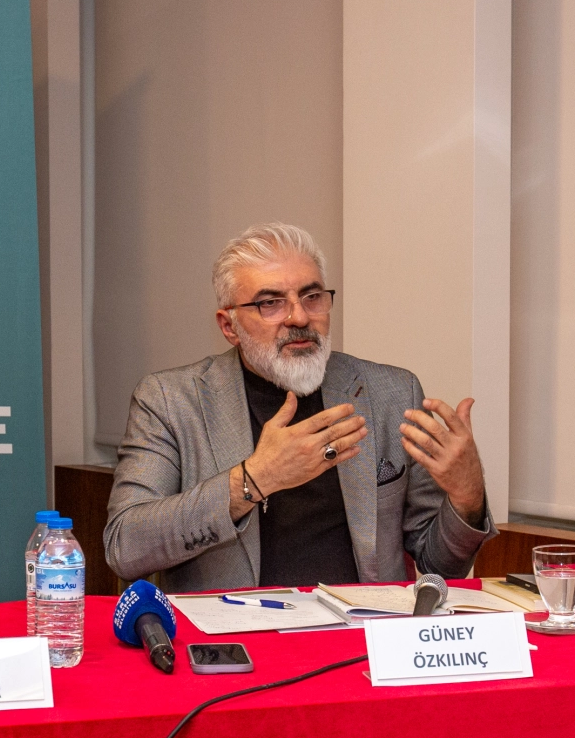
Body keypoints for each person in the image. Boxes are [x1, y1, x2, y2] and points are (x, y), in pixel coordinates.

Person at [105, 222, 494, 592]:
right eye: (270, 303)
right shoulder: (170, 401)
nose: (300, 317)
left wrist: (467, 496)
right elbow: (125, 547)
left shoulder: (391, 393)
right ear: (229, 326)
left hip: (361, 628)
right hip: (237, 631)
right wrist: (255, 479)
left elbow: (442, 565)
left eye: (312, 297)